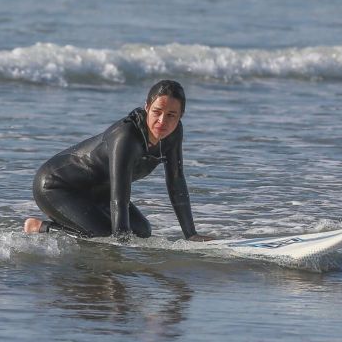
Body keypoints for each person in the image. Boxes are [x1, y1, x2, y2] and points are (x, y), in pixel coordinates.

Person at [24, 79, 214, 242]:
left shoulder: (173, 134)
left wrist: (191, 235)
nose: (162, 121)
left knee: (142, 232)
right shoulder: (126, 137)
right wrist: (120, 243)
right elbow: (119, 196)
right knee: (104, 237)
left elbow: (176, 182)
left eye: (171, 115)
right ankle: (40, 227)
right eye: (157, 112)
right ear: (147, 107)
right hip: (57, 187)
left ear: (181, 115)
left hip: (98, 192)